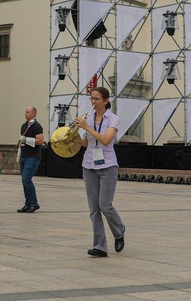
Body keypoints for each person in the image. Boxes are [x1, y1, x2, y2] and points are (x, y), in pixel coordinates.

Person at [74, 86, 126, 258]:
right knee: (94, 208)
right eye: (91, 99)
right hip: (89, 165)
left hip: (108, 165)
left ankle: (119, 231)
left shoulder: (113, 119)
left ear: (105, 101)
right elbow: (87, 143)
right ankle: (100, 246)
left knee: (105, 205)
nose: (93, 102)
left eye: (96, 99)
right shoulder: (89, 118)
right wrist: (73, 138)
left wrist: (87, 127)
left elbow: (105, 140)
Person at [17, 106, 44, 213]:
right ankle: (27, 204)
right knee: (24, 181)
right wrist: (19, 154)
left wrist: (26, 139)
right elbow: (20, 142)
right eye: (25, 112)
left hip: (32, 157)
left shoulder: (37, 126)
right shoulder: (24, 126)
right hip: (24, 155)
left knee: (26, 179)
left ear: (34, 114)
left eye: (28, 112)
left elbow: (40, 140)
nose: (26, 114)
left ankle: (34, 203)